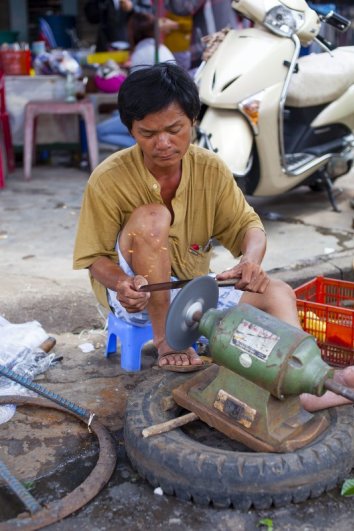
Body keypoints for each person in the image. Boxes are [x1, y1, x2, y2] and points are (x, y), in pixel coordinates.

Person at [73, 62, 354, 411]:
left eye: (174, 129)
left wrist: (250, 261)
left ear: (193, 119)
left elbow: (248, 227)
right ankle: (167, 342)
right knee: (152, 216)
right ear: (131, 130)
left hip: (192, 294)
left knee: (277, 292)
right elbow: (93, 257)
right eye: (147, 133)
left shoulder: (211, 169)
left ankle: (311, 379)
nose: (162, 143)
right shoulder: (109, 177)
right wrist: (121, 284)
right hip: (138, 299)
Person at [96, 12, 176, 149]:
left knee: (99, 131)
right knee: (118, 115)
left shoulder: (140, 54)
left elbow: (136, 96)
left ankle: (142, 148)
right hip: (169, 109)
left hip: (153, 113)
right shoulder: (162, 48)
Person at [84, 0, 153, 52]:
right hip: (105, 48)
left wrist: (133, 7)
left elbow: (150, 13)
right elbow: (91, 18)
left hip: (132, 48)